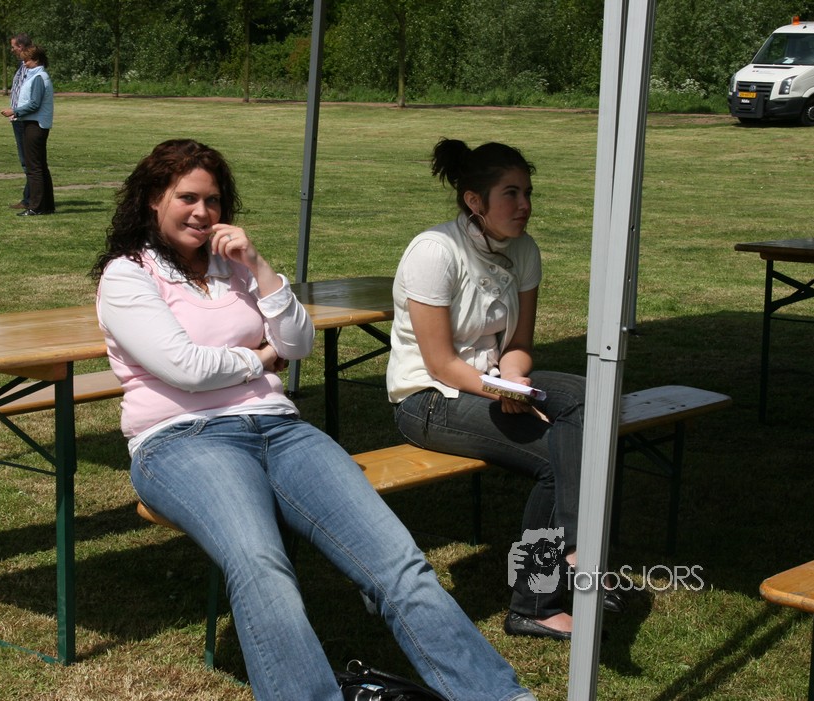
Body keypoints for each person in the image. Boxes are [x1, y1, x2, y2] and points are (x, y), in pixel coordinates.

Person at [92, 138, 536, 701]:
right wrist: (259, 359)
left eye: (214, 199)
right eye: (188, 198)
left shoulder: (234, 267)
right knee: (260, 564)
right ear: (154, 198)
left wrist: (258, 266)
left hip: (280, 428)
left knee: (398, 561)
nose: (203, 212)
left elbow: (298, 340)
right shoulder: (127, 276)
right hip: (182, 440)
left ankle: (499, 696)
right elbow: (184, 368)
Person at [386, 138, 624, 642]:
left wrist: (513, 379)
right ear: (474, 200)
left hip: (492, 381)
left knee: (590, 396)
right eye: (511, 194)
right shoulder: (434, 251)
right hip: (429, 398)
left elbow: (518, 344)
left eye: (528, 193)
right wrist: (500, 391)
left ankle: (571, 550)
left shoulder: (524, 250)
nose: (524, 205)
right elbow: (440, 362)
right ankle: (538, 599)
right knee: (557, 457)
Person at [1, 44, 54, 216]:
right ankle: (47, 205)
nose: (24, 63)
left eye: (27, 60)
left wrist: (14, 111)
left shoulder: (38, 77)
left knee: (34, 168)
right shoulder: (37, 76)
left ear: (36, 60)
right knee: (40, 166)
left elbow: (34, 104)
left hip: (34, 125)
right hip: (34, 124)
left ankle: (36, 207)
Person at [4, 33, 33, 210]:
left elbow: (30, 97)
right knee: (27, 161)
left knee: (28, 162)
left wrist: (16, 111)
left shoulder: (30, 68)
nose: (12, 49)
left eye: (13, 46)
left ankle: (30, 199)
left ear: (21, 47)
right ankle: (31, 198)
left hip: (23, 118)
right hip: (17, 117)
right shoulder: (23, 66)